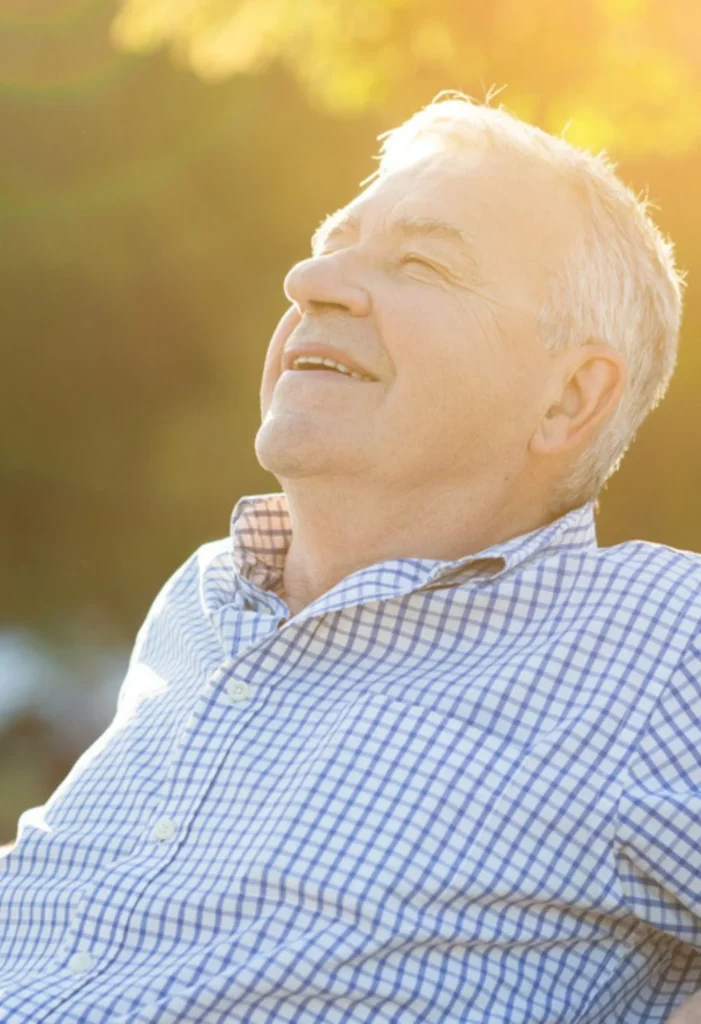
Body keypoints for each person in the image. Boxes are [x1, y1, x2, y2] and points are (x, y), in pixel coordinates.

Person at [1, 92, 700, 1024]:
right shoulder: (204, 600)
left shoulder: (657, 637)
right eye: (331, 245)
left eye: (421, 263)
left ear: (568, 398)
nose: (308, 279)